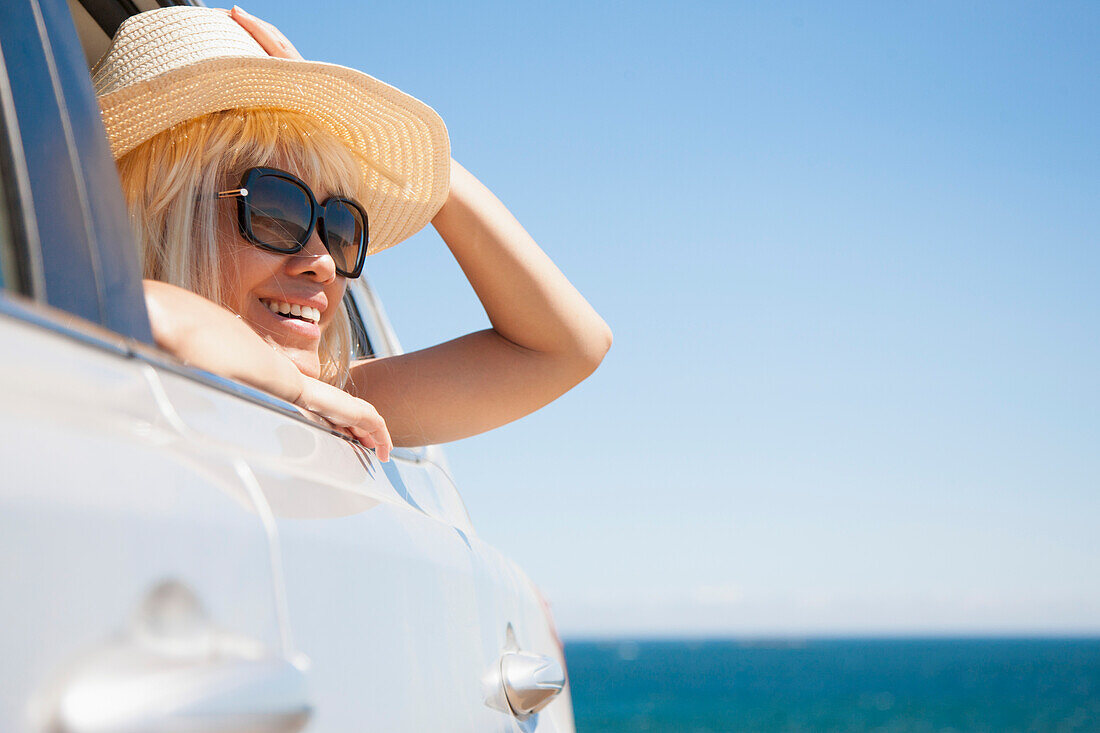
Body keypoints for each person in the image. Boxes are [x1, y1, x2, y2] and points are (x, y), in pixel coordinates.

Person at [93, 7, 611, 462]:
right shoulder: (316, 398)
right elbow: (148, 311)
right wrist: (295, 389)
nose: (323, 261)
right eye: (277, 211)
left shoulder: (331, 399)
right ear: (157, 219)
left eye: (340, 225)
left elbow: (569, 346)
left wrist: (425, 169)